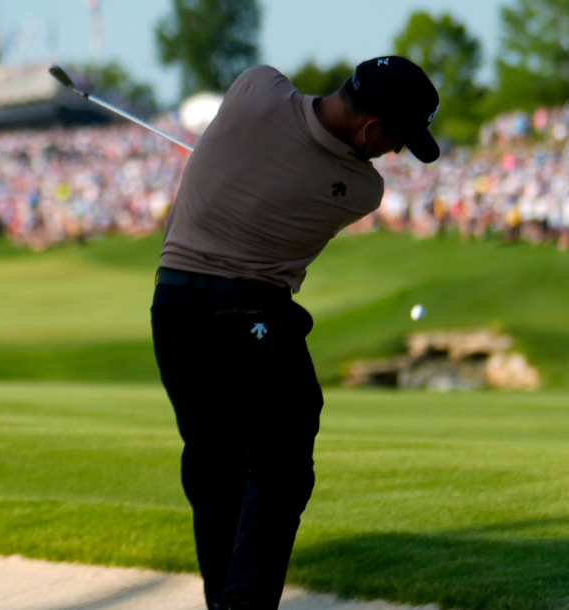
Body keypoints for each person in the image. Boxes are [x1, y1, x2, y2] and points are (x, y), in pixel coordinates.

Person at [150, 56, 440, 609]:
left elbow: (270, 121)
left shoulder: (255, 86)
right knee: (280, 468)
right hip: (245, 318)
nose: (395, 153)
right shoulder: (360, 187)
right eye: (399, 140)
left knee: (215, 468)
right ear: (370, 129)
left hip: (172, 309)